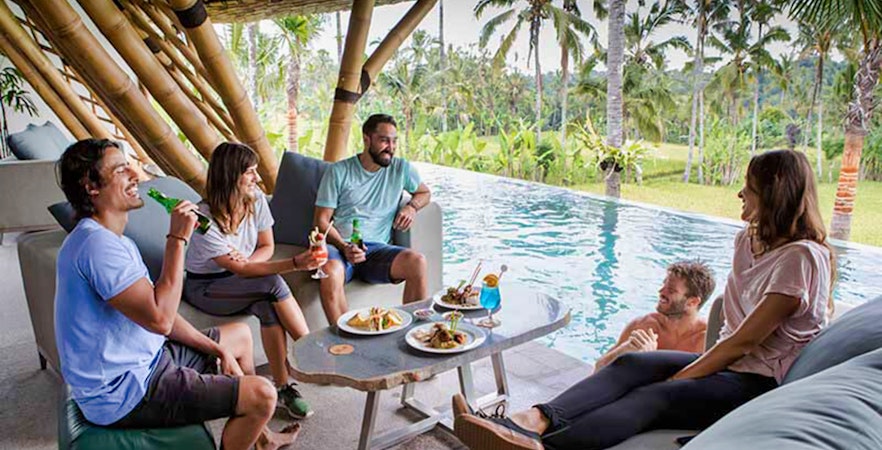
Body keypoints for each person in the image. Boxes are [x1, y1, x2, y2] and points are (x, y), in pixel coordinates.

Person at [452, 149, 835, 450]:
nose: (740, 193)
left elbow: (745, 341)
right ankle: (524, 422)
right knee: (631, 363)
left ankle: (545, 448)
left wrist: (683, 375)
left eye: (748, 186)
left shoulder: (801, 257)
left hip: (760, 383)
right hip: (731, 365)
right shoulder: (747, 240)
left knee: (658, 395)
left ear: (774, 194)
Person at [54, 139, 302, 450]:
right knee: (263, 395)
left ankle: (263, 439)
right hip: (124, 391)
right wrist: (177, 238)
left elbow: (163, 317)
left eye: (130, 165)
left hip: (148, 360)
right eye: (120, 170)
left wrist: (217, 349)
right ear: (91, 186)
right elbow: (160, 319)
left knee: (239, 337)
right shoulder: (97, 247)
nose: (134, 174)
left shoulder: (114, 241)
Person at [184, 142, 318, 419]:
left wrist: (246, 264)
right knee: (272, 282)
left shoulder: (255, 200)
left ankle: (282, 388)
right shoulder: (203, 219)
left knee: (267, 304)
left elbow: (267, 246)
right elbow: (244, 270)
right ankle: (313, 351)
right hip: (205, 287)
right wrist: (295, 263)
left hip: (239, 278)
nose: (257, 178)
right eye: (250, 172)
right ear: (231, 175)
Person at [314, 113, 432, 324]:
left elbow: (424, 193)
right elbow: (321, 221)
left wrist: (412, 207)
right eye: (384, 140)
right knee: (329, 271)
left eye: (394, 141)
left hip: (377, 250)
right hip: (341, 248)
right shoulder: (338, 171)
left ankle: (414, 331)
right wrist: (344, 247)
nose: (391, 147)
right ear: (367, 139)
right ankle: (345, 337)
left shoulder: (401, 169)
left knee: (417, 262)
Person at [594, 260, 715, 371]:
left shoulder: (706, 340)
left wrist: (650, 360)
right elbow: (598, 369)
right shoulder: (642, 326)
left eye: (671, 290)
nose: (661, 292)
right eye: (664, 285)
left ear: (692, 302)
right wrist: (625, 350)